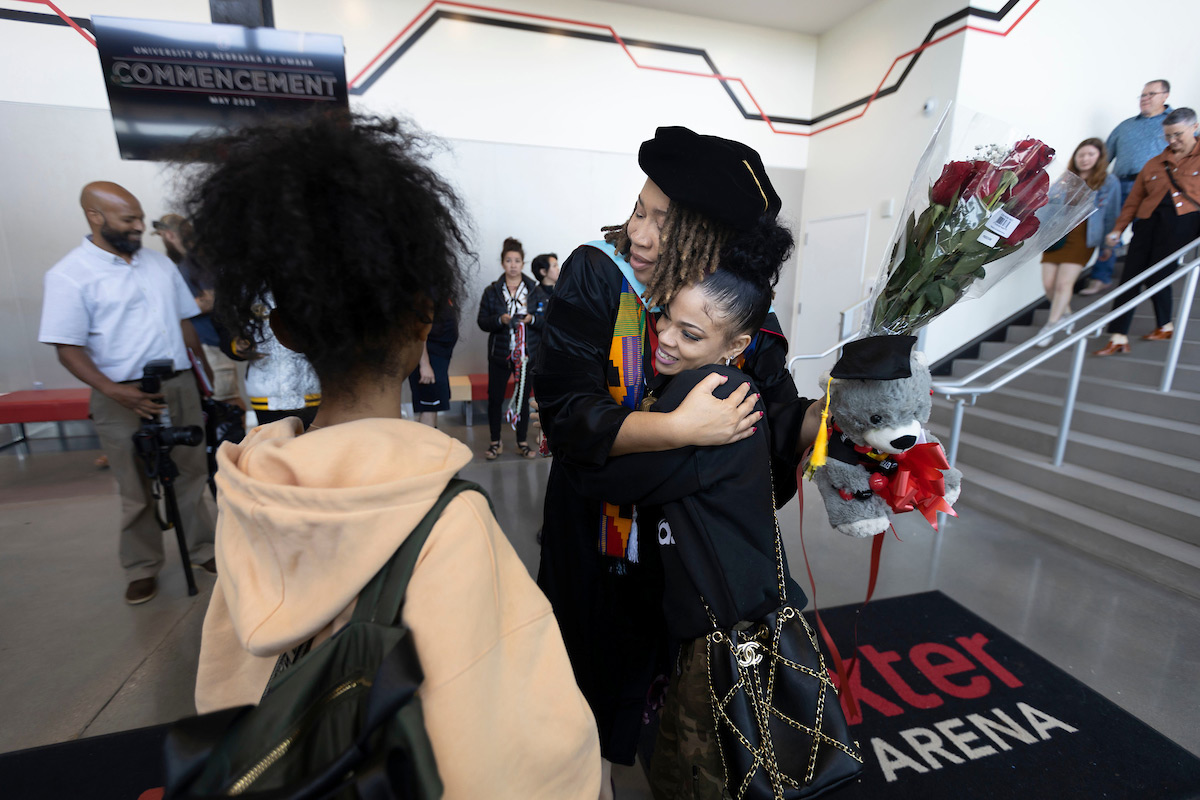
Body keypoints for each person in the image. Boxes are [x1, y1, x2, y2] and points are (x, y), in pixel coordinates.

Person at [186, 113, 601, 799]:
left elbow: (226, 689)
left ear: (286, 327)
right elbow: (518, 757)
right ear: (423, 318)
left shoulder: (246, 495)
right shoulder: (448, 522)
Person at [534, 126, 820, 789]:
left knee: (682, 711)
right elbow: (569, 416)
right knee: (587, 697)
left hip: (688, 558)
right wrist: (683, 427)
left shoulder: (742, 314)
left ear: (711, 245)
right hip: (599, 544)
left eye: (664, 223)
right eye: (640, 209)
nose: (639, 233)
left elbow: (772, 418)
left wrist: (830, 419)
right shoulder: (599, 277)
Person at [570, 251, 803, 798]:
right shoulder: (719, 388)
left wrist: (666, 427)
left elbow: (607, 480)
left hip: (728, 634)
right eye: (666, 317)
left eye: (690, 333)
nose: (667, 339)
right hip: (723, 617)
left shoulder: (709, 396)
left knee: (710, 778)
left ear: (736, 346)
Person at [37, 182, 217, 605]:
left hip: (178, 385)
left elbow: (186, 324)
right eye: (129, 220)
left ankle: (203, 551)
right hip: (119, 393)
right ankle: (142, 568)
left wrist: (205, 379)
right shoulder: (69, 274)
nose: (139, 226)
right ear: (95, 217)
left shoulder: (159, 265)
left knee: (192, 473)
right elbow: (67, 347)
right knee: (134, 486)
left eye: (139, 218)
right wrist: (114, 391)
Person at [1095, 108, 1200, 356]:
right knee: (1130, 277)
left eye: (1178, 135)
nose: (1172, 141)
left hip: (1183, 224)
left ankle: (1165, 324)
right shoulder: (1154, 164)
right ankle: (1118, 336)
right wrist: (1118, 229)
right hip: (1146, 223)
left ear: (1194, 128)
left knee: (1158, 274)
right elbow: (1133, 200)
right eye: (1168, 136)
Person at [1082, 79, 1174, 295]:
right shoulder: (1125, 126)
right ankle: (1101, 277)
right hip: (1120, 185)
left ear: (1165, 96)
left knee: (1148, 233)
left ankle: (1145, 279)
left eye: (1151, 94)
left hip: (1157, 189)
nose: (1145, 99)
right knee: (1110, 231)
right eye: (1142, 95)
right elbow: (1104, 157)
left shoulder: (1176, 123)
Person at [1036, 139, 1121, 346]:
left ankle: (1050, 325)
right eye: (1081, 154)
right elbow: (1048, 206)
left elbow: (1111, 215)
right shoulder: (1065, 179)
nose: (1085, 159)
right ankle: (1066, 316)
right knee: (1048, 284)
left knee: (1064, 283)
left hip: (1085, 236)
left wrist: (1109, 245)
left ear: (1100, 158)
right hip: (1058, 235)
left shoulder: (1109, 183)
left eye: (1090, 154)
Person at [152, 213, 243, 406]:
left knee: (228, 405)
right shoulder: (189, 262)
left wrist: (172, 308)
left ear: (169, 235)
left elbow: (211, 300)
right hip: (201, 348)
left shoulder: (198, 261)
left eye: (161, 236)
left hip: (212, 347)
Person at [476, 237, 544, 459]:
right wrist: (500, 320)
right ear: (503, 263)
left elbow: (547, 322)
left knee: (524, 399)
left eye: (517, 260)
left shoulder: (535, 290)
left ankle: (521, 442)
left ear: (523, 263)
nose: (513, 264)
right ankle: (495, 442)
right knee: (495, 398)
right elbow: (482, 322)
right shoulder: (492, 291)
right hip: (499, 354)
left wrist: (532, 319)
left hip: (526, 356)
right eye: (508, 260)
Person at [407, 297, 459, 427]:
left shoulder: (440, 291)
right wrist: (424, 364)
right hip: (428, 359)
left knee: (433, 405)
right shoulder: (425, 292)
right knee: (428, 406)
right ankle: (426, 446)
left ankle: (430, 444)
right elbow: (419, 331)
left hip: (439, 359)